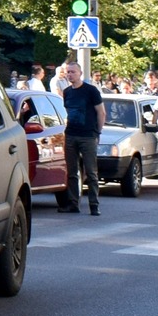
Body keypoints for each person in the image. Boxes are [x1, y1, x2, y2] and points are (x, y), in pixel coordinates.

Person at [59, 59, 105, 215]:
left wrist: (97, 132)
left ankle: (94, 204)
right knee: (72, 172)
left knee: (91, 172)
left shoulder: (91, 91)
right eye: (68, 72)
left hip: (88, 136)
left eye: (73, 72)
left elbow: (101, 112)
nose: (70, 74)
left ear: (80, 73)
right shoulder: (67, 92)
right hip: (71, 134)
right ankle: (73, 203)